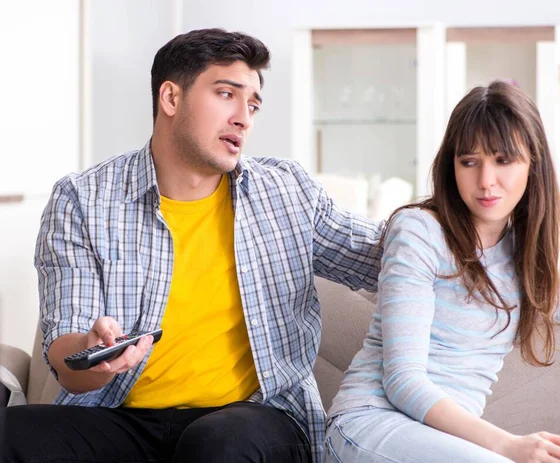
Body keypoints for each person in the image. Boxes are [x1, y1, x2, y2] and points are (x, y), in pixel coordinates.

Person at [0, 28, 383, 463]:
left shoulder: (286, 191)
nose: (244, 117)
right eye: (226, 94)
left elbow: (383, 253)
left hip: (253, 416)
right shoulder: (82, 200)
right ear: (170, 98)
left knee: (216, 444)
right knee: (10, 433)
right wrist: (93, 350)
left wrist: (469, 209)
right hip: (121, 417)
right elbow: (68, 361)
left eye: (253, 104)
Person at [324, 81, 560, 463]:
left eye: (503, 160)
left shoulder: (517, 252)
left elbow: (554, 301)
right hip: (371, 425)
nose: (486, 180)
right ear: (451, 165)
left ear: (533, 164)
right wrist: (510, 445)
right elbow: (404, 382)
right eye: (469, 162)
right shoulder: (420, 230)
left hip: (444, 443)